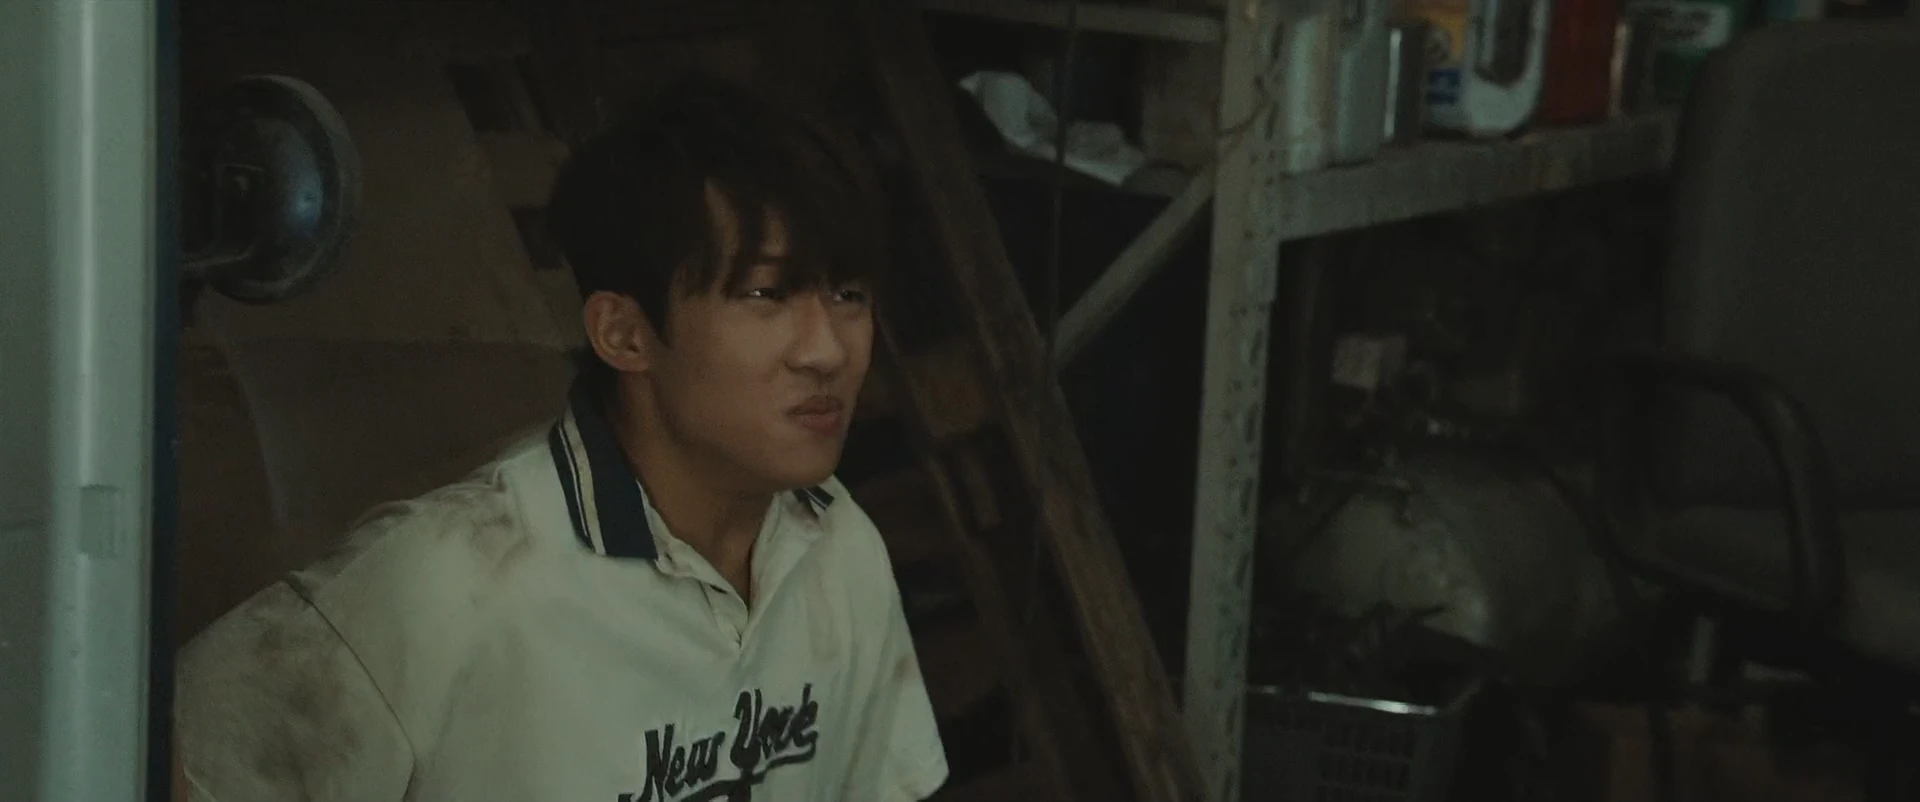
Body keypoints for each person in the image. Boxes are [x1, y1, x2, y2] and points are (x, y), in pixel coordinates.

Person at [173, 75, 949, 802]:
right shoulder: (449, 587)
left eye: (848, 294)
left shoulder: (836, 549)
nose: (827, 349)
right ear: (625, 333)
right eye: (765, 294)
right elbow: (169, 756)